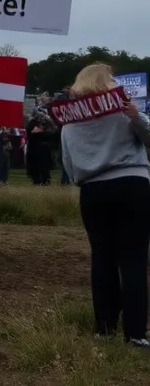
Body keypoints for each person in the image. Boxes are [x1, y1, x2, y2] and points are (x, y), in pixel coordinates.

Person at [60, 64, 150, 348]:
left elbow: (68, 162)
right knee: (134, 260)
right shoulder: (125, 111)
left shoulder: (70, 121)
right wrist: (138, 117)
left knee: (102, 258)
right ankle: (135, 333)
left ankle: (105, 327)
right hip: (132, 183)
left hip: (93, 189)